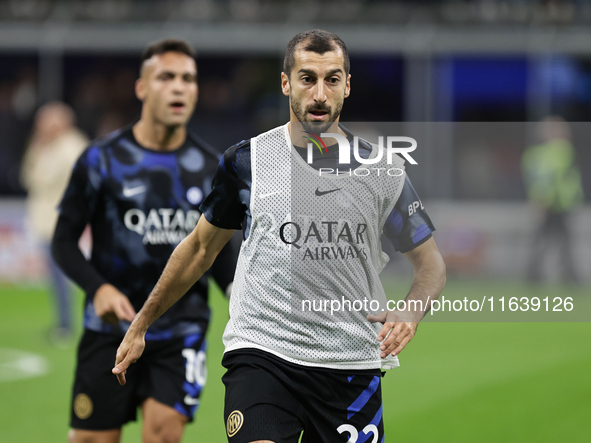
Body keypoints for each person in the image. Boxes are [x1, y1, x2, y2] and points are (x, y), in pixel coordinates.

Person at [113, 30, 446, 443]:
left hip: (349, 363)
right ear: (286, 83)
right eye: (307, 78)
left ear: (347, 85)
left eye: (332, 79)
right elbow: (200, 248)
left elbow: (430, 263)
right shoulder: (245, 162)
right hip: (263, 353)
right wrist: (142, 323)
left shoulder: (383, 171)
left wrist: (411, 313)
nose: (320, 93)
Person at [52, 39, 237, 443]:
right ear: (141, 88)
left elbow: (221, 261)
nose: (178, 87)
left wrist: (253, 308)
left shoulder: (214, 170)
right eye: (166, 77)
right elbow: (63, 242)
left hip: (180, 331)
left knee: (163, 435)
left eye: (187, 79)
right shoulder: (100, 160)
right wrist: (97, 288)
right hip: (108, 329)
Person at [20, 101, 88, 344]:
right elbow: (27, 177)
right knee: (57, 276)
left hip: (60, 221)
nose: (39, 126)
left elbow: (45, 180)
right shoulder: (48, 146)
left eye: (44, 121)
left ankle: (66, 326)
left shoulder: (71, 146)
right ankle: (64, 323)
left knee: (62, 275)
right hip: (46, 220)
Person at [522, 116, 584, 284]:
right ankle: (562, 277)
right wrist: (542, 201)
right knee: (557, 243)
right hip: (554, 205)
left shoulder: (538, 153)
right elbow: (546, 180)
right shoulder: (558, 151)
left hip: (560, 204)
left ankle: (537, 276)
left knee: (554, 243)